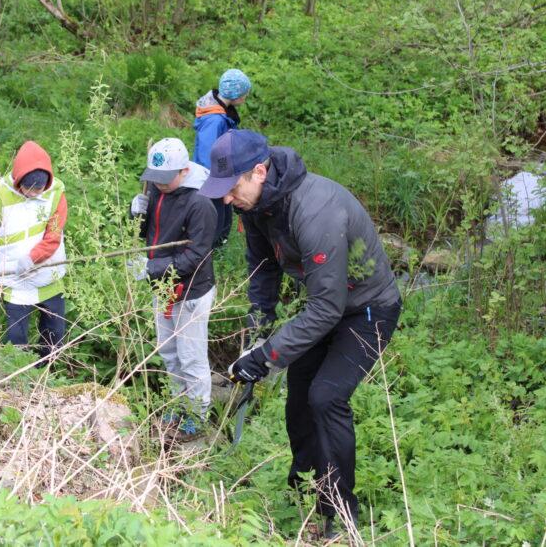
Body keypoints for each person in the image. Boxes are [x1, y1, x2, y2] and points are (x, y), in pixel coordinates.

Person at [200, 129, 402, 539]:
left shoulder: (315, 210)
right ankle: (304, 485)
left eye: (230, 187)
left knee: (326, 397)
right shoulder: (255, 206)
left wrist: (265, 357)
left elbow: (327, 309)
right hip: (324, 308)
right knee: (299, 400)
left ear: (259, 171)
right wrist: (261, 318)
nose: (225, 199)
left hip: (366, 310)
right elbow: (263, 265)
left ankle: (340, 514)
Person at [129, 138, 216, 443]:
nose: (158, 185)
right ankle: (177, 406)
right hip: (161, 288)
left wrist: (150, 269)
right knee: (169, 353)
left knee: (191, 357)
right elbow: (146, 233)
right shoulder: (155, 188)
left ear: (184, 170)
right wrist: (135, 214)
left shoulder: (200, 204)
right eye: (154, 178)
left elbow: (195, 257)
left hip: (190, 291)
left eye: (165, 179)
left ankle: (197, 417)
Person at [0, 141, 68, 359]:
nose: (34, 193)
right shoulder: (0, 197)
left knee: (53, 337)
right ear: (18, 182)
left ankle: (46, 379)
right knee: (15, 339)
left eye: (39, 189)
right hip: (13, 281)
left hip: (49, 278)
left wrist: (32, 258)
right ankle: (17, 383)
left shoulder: (55, 195)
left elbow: (53, 237)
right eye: (29, 188)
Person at [192, 69, 251, 248]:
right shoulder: (215, 120)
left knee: (225, 212)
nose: (246, 96)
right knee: (216, 215)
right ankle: (210, 248)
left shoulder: (224, 114)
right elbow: (206, 153)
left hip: (223, 174)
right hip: (212, 178)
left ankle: (219, 244)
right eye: (244, 93)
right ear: (235, 93)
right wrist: (215, 181)